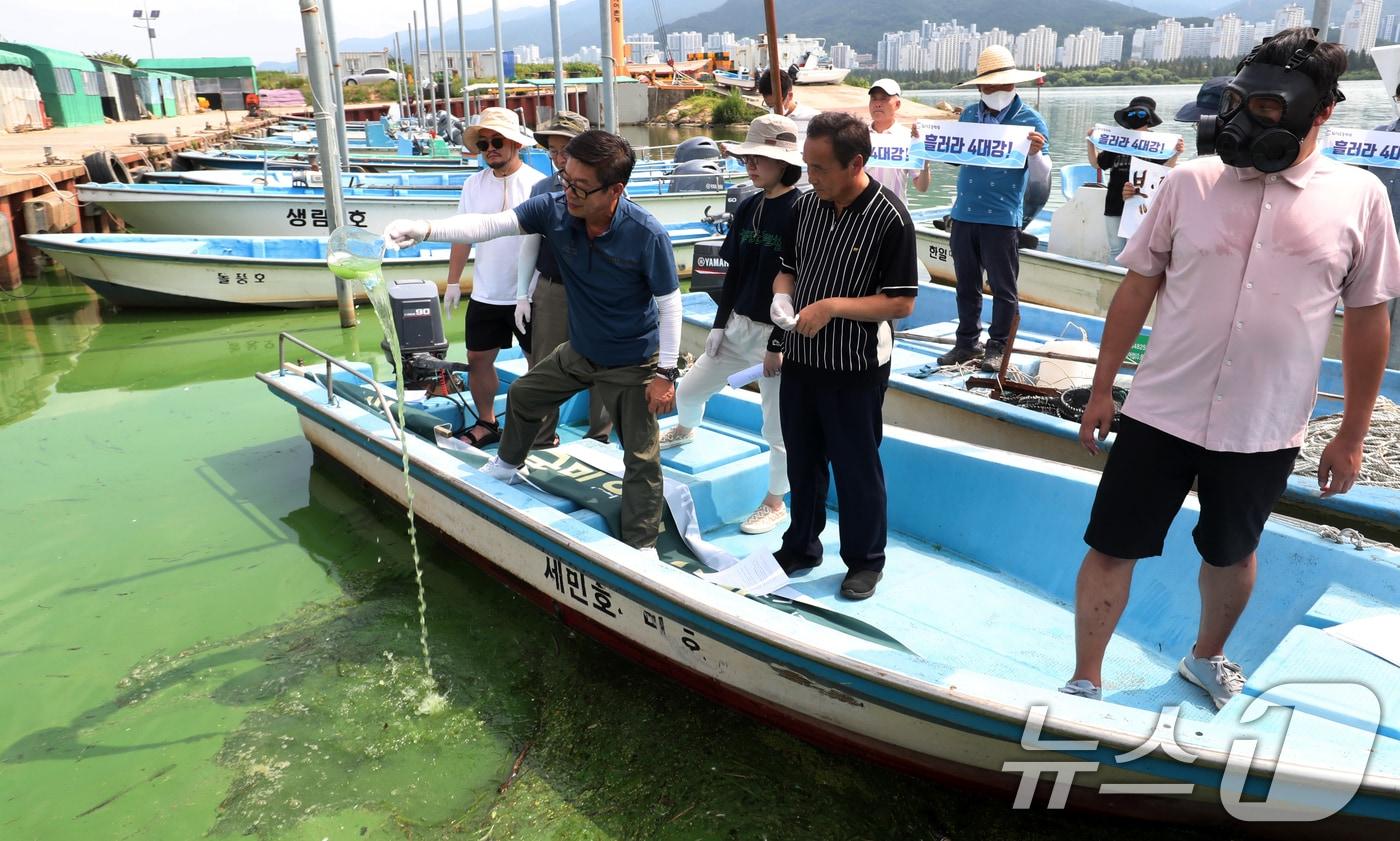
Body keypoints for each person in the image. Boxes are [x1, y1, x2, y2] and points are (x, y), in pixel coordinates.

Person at [1059, 28, 1400, 709]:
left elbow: (1368, 320)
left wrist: (1352, 433)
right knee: (1111, 544)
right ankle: (1085, 675)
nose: (1247, 121)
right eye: (1243, 101)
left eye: (1269, 109)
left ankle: (1205, 657)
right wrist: (1103, 388)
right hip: (1160, 408)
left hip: (1264, 424)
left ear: (1322, 110)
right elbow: (1136, 289)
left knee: (1231, 552)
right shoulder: (1191, 182)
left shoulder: (1360, 197)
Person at [384, 130, 682, 552]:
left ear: (616, 190)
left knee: (640, 455)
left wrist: (665, 373)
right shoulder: (555, 207)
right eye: (565, 178)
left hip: (632, 359)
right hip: (582, 348)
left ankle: (642, 543)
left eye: (580, 186)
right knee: (524, 394)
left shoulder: (645, 234)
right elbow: (492, 224)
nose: (569, 192)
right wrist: (425, 228)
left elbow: (670, 305)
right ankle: (506, 465)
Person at [768, 112, 918, 600]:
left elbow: (900, 301)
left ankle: (865, 560)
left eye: (820, 168)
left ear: (855, 162)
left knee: (856, 465)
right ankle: (801, 545)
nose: (810, 178)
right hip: (802, 357)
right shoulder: (806, 208)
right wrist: (782, 296)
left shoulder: (890, 217)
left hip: (856, 364)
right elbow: (787, 268)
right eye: (807, 166)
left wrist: (833, 307)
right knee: (803, 457)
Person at [658, 114, 804, 535]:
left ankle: (775, 501)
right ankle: (686, 428)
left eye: (760, 157)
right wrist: (719, 326)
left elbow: (800, 284)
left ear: (785, 162)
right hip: (737, 325)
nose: (750, 164)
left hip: (778, 337)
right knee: (689, 389)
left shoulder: (802, 211)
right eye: (748, 157)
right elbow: (734, 272)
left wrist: (779, 342)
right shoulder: (748, 206)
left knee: (776, 426)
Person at [935, 45, 1050, 374]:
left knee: (1003, 286)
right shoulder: (969, 114)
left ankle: (998, 345)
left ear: (1014, 85)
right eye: (990, 86)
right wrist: (927, 141)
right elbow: (956, 156)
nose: (997, 91)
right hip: (964, 213)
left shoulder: (1031, 121)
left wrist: (1034, 153)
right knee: (966, 283)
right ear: (980, 87)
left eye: (1004, 85)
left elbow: (1042, 174)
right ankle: (966, 341)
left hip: (1001, 218)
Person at [439, 107, 545, 447]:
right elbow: (462, 234)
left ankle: (539, 428)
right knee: (477, 359)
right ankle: (486, 422)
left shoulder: (536, 183)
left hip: (528, 293)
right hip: (486, 290)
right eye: (483, 144)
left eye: (497, 141)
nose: (490, 149)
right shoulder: (473, 183)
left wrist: (527, 293)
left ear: (515, 143)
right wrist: (453, 281)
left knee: (538, 362)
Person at [516, 110, 612, 447]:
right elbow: (529, 243)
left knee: (603, 362)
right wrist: (521, 294)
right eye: (553, 151)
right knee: (544, 365)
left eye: (566, 150)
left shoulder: (610, 187)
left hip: (598, 292)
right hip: (553, 288)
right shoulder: (542, 189)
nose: (559, 159)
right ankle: (542, 438)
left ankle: (599, 436)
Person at [1086, 96, 1183, 262]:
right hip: (1114, 200)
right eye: (1132, 114)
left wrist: (1176, 153)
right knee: (1115, 249)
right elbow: (1097, 164)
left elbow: (1165, 170)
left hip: (1141, 205)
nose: (1136, 117)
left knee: (1136, 248)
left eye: (1140, 114)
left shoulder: (1158, 143)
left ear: (1149, 118)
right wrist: (1090, 141)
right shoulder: (1118, 141)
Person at [865, 78, 932, 207]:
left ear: (897, 104)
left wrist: (925, 162)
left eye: (884, 98)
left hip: (895, 213)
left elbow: (921, 187)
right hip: (863, 212)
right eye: (874, 98)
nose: (877, 104)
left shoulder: (909, 138)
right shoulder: (859, 136)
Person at [757, 68, 819, 135]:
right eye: (770, 106)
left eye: (777, 106)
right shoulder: (766, 121)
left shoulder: (813, 119)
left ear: (790, 96)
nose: (773, 110)